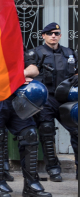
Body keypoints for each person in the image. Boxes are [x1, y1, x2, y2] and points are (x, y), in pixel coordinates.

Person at [0, 56, 53, 197]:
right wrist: (16, 77)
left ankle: (31, 185)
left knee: (29, 134)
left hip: (18, 98)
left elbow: (34, 69)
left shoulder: (15, 43)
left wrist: (19, 75)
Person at [32, 22, 78, 181]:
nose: (53, 36)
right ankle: (53, 169)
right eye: (50, 33)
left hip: (67, 99)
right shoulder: (36, 53)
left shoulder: (69, 53)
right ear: (43, 35)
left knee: (77, 131)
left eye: (56, 33)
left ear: (60, 35)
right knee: (46, 131)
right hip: (46, 98)